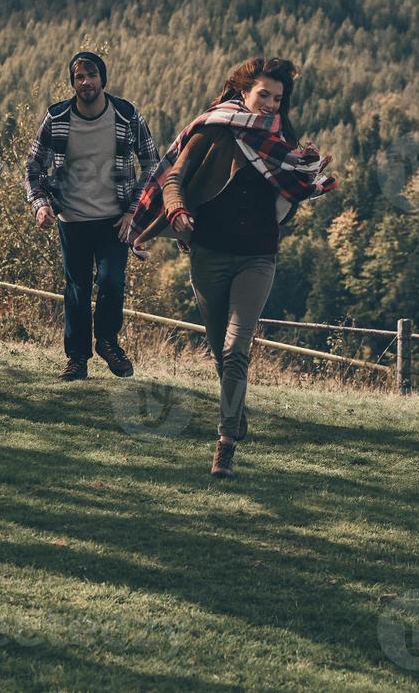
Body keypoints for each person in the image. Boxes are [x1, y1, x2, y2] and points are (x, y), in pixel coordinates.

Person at [127, 57, 336, 478]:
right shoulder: (215, 129)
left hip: (258, 255)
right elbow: (174, 177)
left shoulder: (282, 141)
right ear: (243, 91)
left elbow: (290, 195)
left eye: (279, 98)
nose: (271, 105)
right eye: (264, 95)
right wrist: (177, 209)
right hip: (209, 254)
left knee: (235, 348)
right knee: (220, 351)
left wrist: (306, 178)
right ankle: (236, 415)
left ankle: (224, 445)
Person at [24, 52, 160, 382]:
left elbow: (153, 164)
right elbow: (33, 165)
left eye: (92, 75)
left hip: (116, 220)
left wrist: (134, 212)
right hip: (72, 220)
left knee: (112, 283)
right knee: (77, 290)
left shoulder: (126, 116)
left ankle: (108, 342)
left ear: (103, 79)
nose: (86, 82)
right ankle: (77, 359)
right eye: (79, 77)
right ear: (72, 83)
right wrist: (41, 205)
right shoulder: (56, 118)